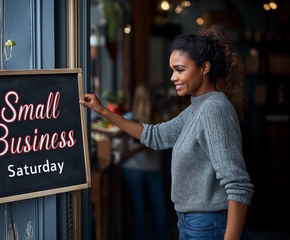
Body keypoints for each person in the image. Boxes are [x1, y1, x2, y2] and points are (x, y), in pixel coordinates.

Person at [80, 24, 254, 240]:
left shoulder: (213, 109)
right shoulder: (196, 108)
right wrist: (103, 111)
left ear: (205, 68)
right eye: (173, 70)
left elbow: (238, 185)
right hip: (193, 224)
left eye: (180, 70)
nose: (173, 77)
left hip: (209, 226)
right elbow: (155, 136)